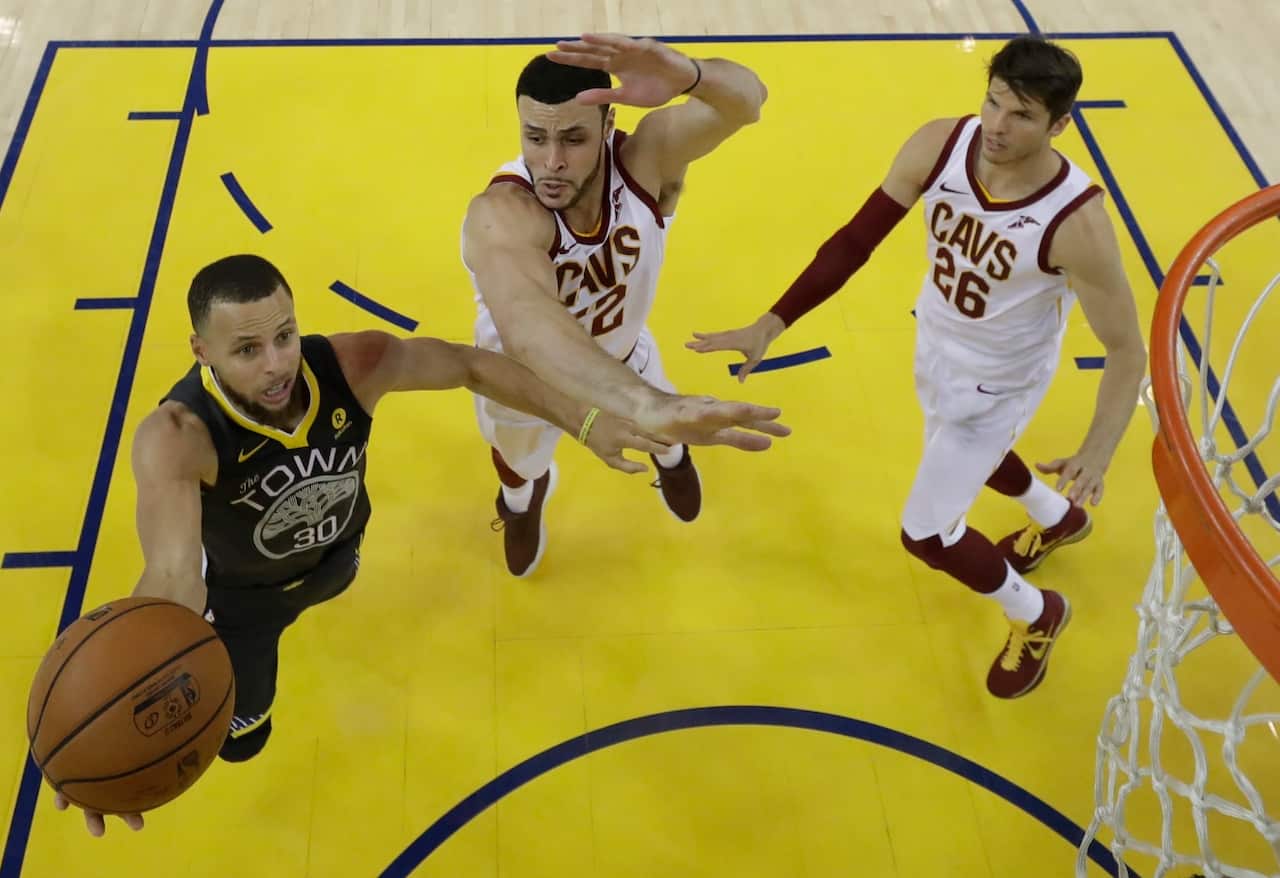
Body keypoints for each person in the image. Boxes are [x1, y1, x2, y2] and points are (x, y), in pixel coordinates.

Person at [52, 252, 673, 836]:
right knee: (243, 738)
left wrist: (585, 421)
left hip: (335, 558)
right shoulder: (177, 435)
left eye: (285, 336)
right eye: (246, 349)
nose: (275, 364)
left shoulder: (352, 367)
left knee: (332, 582)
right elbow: (172, 575)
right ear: (200, 351)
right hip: (245, 604)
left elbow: (470, 365)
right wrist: (110, 721)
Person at [688, 36, 1146, 699]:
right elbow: (855, 240)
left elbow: (1127, 349)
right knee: (965, 457)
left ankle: (1038, 612)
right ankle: (1056, 518)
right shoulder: (941, 145)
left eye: (1021, 116)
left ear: (1060, 125)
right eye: (992, 103)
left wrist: (1097, 453)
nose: (997, 125)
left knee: (928, 533)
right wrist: (772, 322)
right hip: (935, 341)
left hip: (1001, 382)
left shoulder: (1077, 223)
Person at [460, 34, 781, 576]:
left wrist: (691, 73)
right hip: (526, 384)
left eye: (573, 139)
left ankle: (671, 454)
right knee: (518, 466)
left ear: (608, 127)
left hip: (623, 356)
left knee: (669, 421)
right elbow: (529, 331)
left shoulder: (645, 160)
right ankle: (519, 504)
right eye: (535, 137)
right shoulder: (501, 213)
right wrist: (646, 404)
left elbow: (749, 103)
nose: (552, 162)